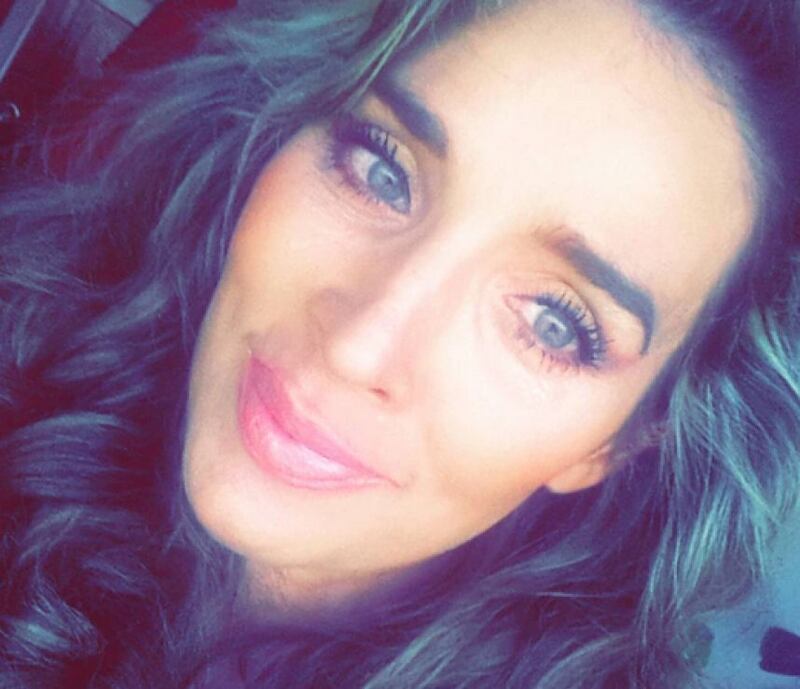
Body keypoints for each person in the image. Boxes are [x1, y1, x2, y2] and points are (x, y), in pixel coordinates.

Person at [1, 0, 799, 687]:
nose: (358, 345)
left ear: (617, 441)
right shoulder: (34, 346)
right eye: (383, 171)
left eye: (553, 322)